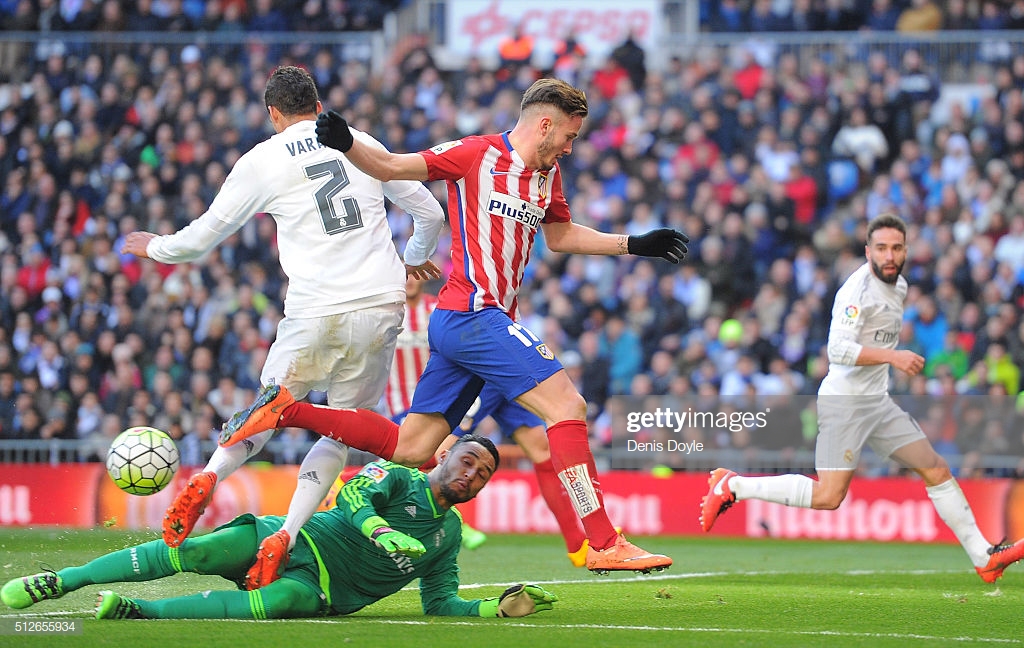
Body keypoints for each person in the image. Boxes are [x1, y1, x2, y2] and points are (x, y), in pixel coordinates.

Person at [221, 77, 686, 573]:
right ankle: (603, 541)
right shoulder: (473, 155)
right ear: (544, 124)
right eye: (569, 136)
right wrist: (347, 141)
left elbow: (562, 236)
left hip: (470, 322)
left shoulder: (546, 177)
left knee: (413, 446)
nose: (570, 148)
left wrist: (634, 244)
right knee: (567, 406)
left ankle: (286, 410)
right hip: (472, 314)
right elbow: (394, 167)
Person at [120, 66, 445, 588]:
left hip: (313, 310)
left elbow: (203, 237)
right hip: (379, 305)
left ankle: (208, 476)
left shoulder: (262, 160)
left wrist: (155, 246)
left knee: (266, 409)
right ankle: (288, 535)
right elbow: (428, 213)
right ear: (318, 105)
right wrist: (414, 259)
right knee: (342, 425)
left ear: (273, 113)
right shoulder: (360, 142)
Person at [699, 213, 1024, 584]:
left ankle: (983, 557)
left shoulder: (899, 286)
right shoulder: (857, 291)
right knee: (829, 496)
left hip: (877, 401)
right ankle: (734, 485)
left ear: (905, 252)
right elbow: (836, 349)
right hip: (845, 402)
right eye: (881, 248)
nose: (889, 255)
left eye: (896, 248)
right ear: (868, 250)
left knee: (935, 468)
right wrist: (893, 356)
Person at [1, 436, 557, 620]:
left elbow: (440, 605)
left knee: (283, 600)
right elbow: (355, 494)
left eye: (482, 473)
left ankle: (139, 612)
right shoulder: (397, 474)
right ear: (443, 454)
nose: (473, 474)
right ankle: (64, 579)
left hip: (322, 590)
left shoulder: (449, 537)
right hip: (295, 537)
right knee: (202, 549)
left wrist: (493, 609)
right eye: (467, 461)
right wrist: (381, 532)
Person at [386, 275, 588, 562]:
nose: (407, 279)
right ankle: (442, 518)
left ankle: (577, 544)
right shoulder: (387, 313)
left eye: (412, 272)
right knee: (428, 454)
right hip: (420, 401)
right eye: (401, 273)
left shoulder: (438, 308)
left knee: (541, 450)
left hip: (479, 378)